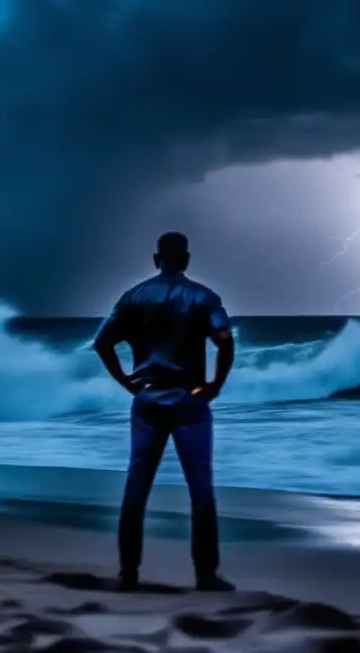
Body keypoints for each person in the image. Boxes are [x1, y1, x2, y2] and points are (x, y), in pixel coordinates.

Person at [93, 231, 236, 592]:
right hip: (189, 401)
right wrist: (215, 385)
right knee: (200, 489)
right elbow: (224, 340)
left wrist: (126, 382)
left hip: (148, 400)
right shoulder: (203, 297)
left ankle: (128, 573)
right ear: (186, 260)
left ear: (156, 259)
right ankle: (205, 575)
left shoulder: (134, 297)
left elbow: (101, 342)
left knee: (137, 486)